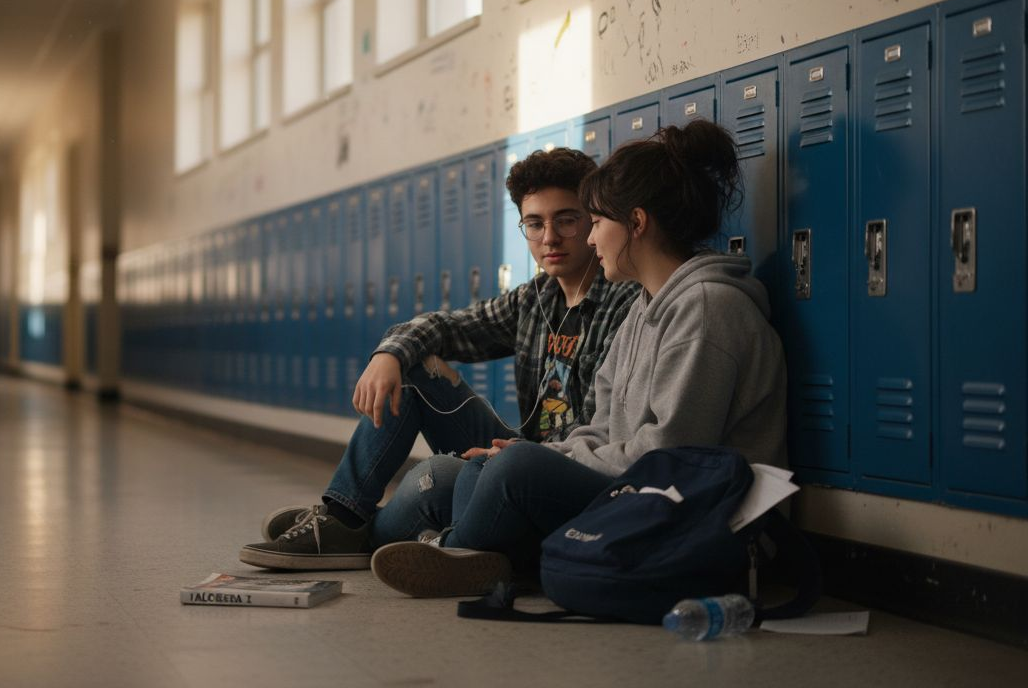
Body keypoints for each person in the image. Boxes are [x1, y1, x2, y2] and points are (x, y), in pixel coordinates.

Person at [370, 119, 788, 597]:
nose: (589, 239)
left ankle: (457, 553)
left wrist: (540, 459)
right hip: (641, 490)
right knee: (487, 467)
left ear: (636, 223)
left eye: (597, 222)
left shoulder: (708, 310)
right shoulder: (643, 309)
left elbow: (670, 455)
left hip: (702, 512)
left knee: (511, 470)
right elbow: (601, 425)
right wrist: (550, 453)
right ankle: (473, 557)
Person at [238, 148, 640, 570]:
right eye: (535, 224)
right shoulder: (534, 299)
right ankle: (343, 516)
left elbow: (604, 433)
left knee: (438, 480)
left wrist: (509, 457)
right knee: (412, 370)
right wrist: (388, 354)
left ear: (593, 221)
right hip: (517, 454)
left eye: (567, 219)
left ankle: (349, 526)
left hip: (559, 472)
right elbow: (446, 327)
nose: (549, 238)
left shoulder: (623, 303)